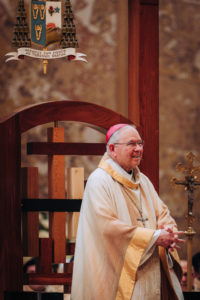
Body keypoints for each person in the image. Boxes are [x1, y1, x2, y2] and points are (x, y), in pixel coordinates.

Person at [71, 124, 185, 300]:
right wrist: (154, 237)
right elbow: (106, 227)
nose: (139, 149)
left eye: (140, 143)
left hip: (150, 276)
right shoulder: (99, 181)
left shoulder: (143, 181)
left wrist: (167, 233)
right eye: (132, 144)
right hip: (115, 277)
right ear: (112, 148)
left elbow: (162, 213)